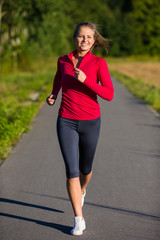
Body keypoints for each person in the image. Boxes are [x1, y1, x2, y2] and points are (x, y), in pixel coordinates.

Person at [46, 22, 114, 236]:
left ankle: (82, 190)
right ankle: (78, 219)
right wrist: (54, 93)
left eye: (89, 37)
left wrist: (86, 81)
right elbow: (59, 78)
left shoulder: (98, 63)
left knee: (85, 169)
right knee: (72, 171)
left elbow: (109, 94)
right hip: (66, 120)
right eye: (81, 36)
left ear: (94, 41)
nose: (84, 40)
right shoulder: (63, 60)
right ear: (75, 37)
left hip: (90, 121)